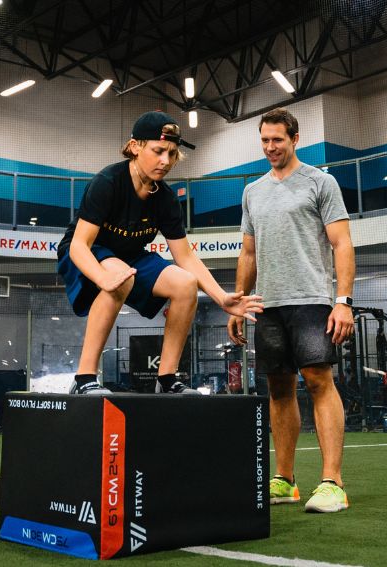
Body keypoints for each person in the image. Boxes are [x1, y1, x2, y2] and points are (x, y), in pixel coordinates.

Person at [58, 110, 263, 395]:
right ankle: (84, 379)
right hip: (88, 250)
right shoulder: (108, 182)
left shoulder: (165, 198)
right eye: (158, 151)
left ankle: (166, 379)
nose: (165, 161)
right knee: (120, 276)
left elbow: (186, 257)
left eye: (171, 153)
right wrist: (102, 278)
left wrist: (222, 298)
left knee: (185, 284)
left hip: (130, 256)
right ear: (135, 147)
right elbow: (80, 244)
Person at [227, 108, 355, 513]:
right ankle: (285, 479)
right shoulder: (253, 191)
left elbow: (342, 244)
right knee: (278, 389)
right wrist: (238, 299)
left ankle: (333, 482)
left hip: (312, 298)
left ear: (294, 138)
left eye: (277, 140)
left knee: (319, 381)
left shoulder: (321, 182)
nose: (270, 148)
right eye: (264, 141)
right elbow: (248, 252)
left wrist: (343, 301)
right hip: (267, 304)